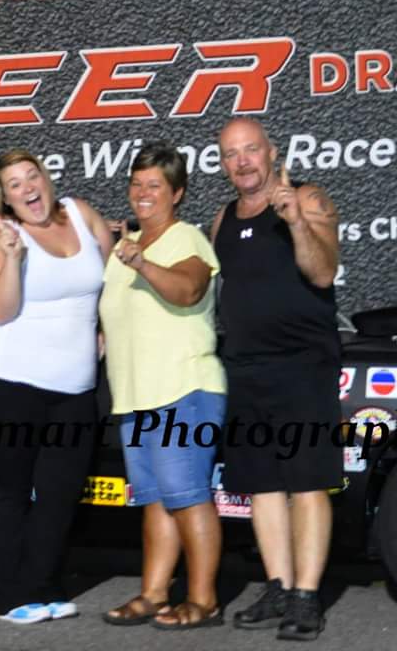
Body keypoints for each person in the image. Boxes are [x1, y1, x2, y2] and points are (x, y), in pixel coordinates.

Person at [0, 149, 115, 624]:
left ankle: (43, 584)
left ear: (46, 178)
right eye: (15, 184)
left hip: (74, 385)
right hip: (3, 379)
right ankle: (10, 597)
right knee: (8, 489)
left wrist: (105, 328)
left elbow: (114, 280)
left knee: (60, 491)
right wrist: (11, 259)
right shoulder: (0, 235)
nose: (28, 188)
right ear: (4, 197)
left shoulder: (81, 214)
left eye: (32, 176)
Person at [209, 117, 341, 641]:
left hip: (302, 365)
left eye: (250, 150)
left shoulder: (306, 199)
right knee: (262, 486)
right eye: (231, 154)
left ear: (271, 152)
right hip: (246, 367)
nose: (242, 161)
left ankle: (306, 597)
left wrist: (295, 223)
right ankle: (279, 587)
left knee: (307, 482)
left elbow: (323, 273)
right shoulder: (222, 219)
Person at [98, 143, 226, 630]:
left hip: (183, 388)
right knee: (154, 497)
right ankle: (154, 593)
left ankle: (204, 600)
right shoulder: (124, 247)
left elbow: (189, 290)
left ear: (177, 193)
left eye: (155, 185)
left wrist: (143, 264)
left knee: (187, 494)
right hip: (136, 396)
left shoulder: (186, 237)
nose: (143, 192)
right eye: (137, 183)